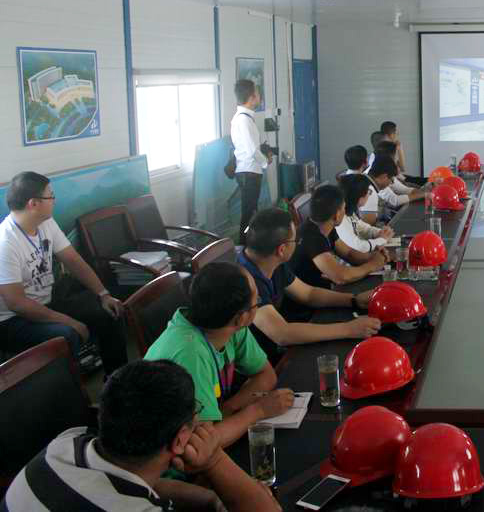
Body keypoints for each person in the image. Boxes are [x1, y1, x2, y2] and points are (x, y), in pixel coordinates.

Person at [2, 359, 280, 512]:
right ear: (179, 440)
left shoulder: (65, 443)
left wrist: (210, 499)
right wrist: (213, 459)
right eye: (196, 413)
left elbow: (143, 484)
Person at [144, 262, 293, 448]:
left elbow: (266, 375)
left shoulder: (228, 325)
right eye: (257, 301)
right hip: (167, 454)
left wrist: (229, 408)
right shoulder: (190, 355)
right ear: (242, 318)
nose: (259, 302)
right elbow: (202, 446)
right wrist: (259, 410)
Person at [0, 171, 127, 374]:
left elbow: (73, 261)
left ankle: (118, 378)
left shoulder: (45, 223)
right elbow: (17, 303)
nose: (54, 200)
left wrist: (104, 294)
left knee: (110, 310)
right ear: (34, 204)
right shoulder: (6, 243)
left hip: (47, 303)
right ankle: (70, 390)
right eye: (50, 196)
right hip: (13, 321)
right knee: (66, 335)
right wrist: (69, 321)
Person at [238, 208, 380, 362]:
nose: (297, 243)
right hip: (262, 362)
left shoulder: (271, 261)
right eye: (295, 240)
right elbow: (282, 333)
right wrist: (348, 329)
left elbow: (308, 294)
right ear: (281, 249)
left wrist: (354, 299)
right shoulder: (245, 281)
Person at [291, 184, 386, 290]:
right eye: (343, 208)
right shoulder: (312, 237)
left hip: (324, 290)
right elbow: (340, 276)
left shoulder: (325, 226)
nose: (345, 212)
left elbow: (349, 253)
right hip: (313, 297)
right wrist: (372, 265)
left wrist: (372, 256)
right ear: (336, 215)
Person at [231, 79, 272, 245]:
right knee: (248, 213)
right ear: (251, 97)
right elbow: (251, 150)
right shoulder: (243, 120)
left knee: (251, 211)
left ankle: (248, 244)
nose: (260, 96)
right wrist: (265, 162)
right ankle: (243, 246)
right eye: (258, 93)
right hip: (248, 172)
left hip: (250, 171)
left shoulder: (245, 118)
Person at [336, 174, 393, 255]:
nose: (369, 194)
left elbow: (362, 228)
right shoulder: (340, 219)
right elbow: (359, 247)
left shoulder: (349, 210)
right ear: (359, 196)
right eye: (368, 192)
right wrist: (382, 240)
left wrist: (379, 232)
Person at [381, 121, 428, 185]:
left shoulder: (392, 147)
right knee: (426, 181)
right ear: (390, 135)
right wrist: (399, 149)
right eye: (396, 132)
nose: (397, 134)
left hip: (401, 177)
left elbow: (402, 167)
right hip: (397, 180)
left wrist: (400, 149)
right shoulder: (385, 151)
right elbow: (400, 170)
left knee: (426, 180)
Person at [344, 144, 380, 224]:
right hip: (362, 228)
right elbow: (370, 220)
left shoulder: (343, 181)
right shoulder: (366, 187)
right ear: (365, 162)